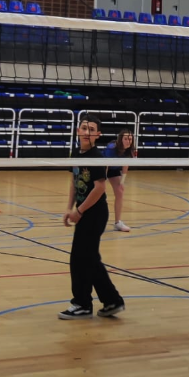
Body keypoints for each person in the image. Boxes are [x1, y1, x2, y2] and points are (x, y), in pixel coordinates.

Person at [58, 114, 125, 320]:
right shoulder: (76, 153)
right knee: (89, 258)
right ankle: (112, 300)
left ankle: (82, 304)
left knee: (80, 259)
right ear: (78, 131)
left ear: (98, 134)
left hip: (95, 212)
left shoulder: (96, 157)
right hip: (84, 211)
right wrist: (69, 208)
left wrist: (79, 212)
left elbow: (99, 188)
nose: (87, 132)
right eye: (84, 128)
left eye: (91, 129)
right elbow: (73, 181)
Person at [103, 127, 135, 232]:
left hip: (114, 170)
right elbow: (106, 166)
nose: (128, 141)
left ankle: (117, 223)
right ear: (121, 139)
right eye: (126, 139)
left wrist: (122, 182)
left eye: (130, 139)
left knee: (120, 191)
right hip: (101, 168)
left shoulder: (129, 150)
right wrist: (103, 183)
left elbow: (125, 166)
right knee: (97, 193)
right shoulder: (112, 149)